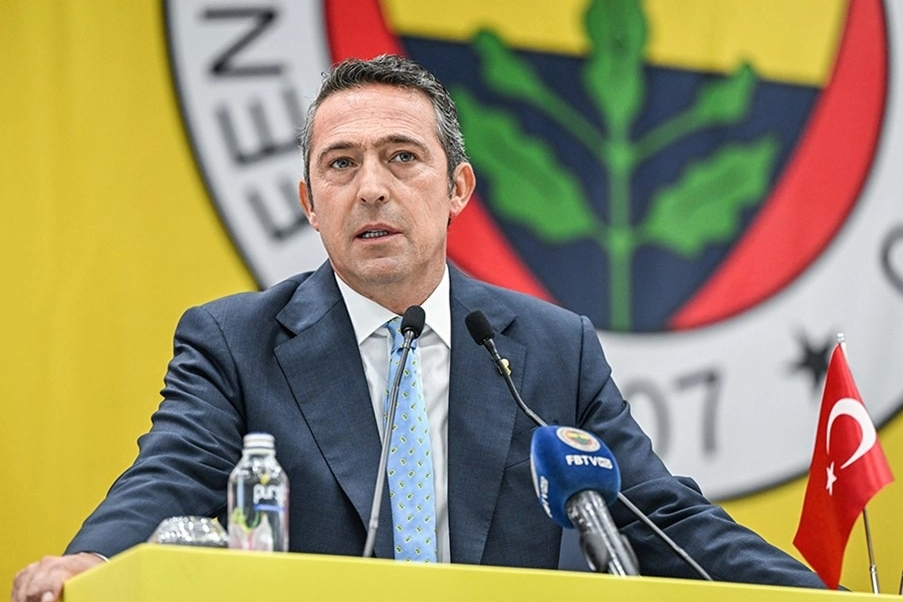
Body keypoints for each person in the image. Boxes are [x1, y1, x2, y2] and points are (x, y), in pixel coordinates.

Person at [11, 54, 827, 602]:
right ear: (309, 204)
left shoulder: (549, 349)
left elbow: (656, 516)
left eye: (401, 157)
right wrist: (93, 561)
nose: (371, 187)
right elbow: (171, 474)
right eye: (341, 164)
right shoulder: (235, 343)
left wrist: (820, 601)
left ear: (457, 187)